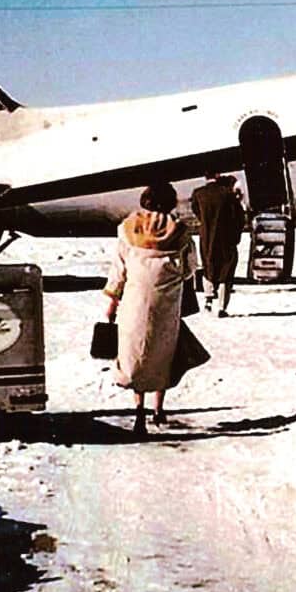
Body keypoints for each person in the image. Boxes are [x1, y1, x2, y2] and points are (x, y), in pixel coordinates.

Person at [104, 183, 198, 434]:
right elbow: (190, 269)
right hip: (166, 302)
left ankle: (138, 411)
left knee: (137, 353)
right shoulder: (182, 232)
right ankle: (158, 410)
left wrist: (112, 301)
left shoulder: (127, 229)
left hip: (134, 301)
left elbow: (118, 271)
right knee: (162, 353)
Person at [191, 172, 246, 317]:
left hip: (207, 236)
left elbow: (196, 211)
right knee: (226, 270)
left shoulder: (198, 194)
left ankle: (208, 299)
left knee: (208, 266)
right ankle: (222, 307)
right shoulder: (228, 194)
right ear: (218, 175)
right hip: (226, 237)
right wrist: (236, 234)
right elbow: (239, 217)